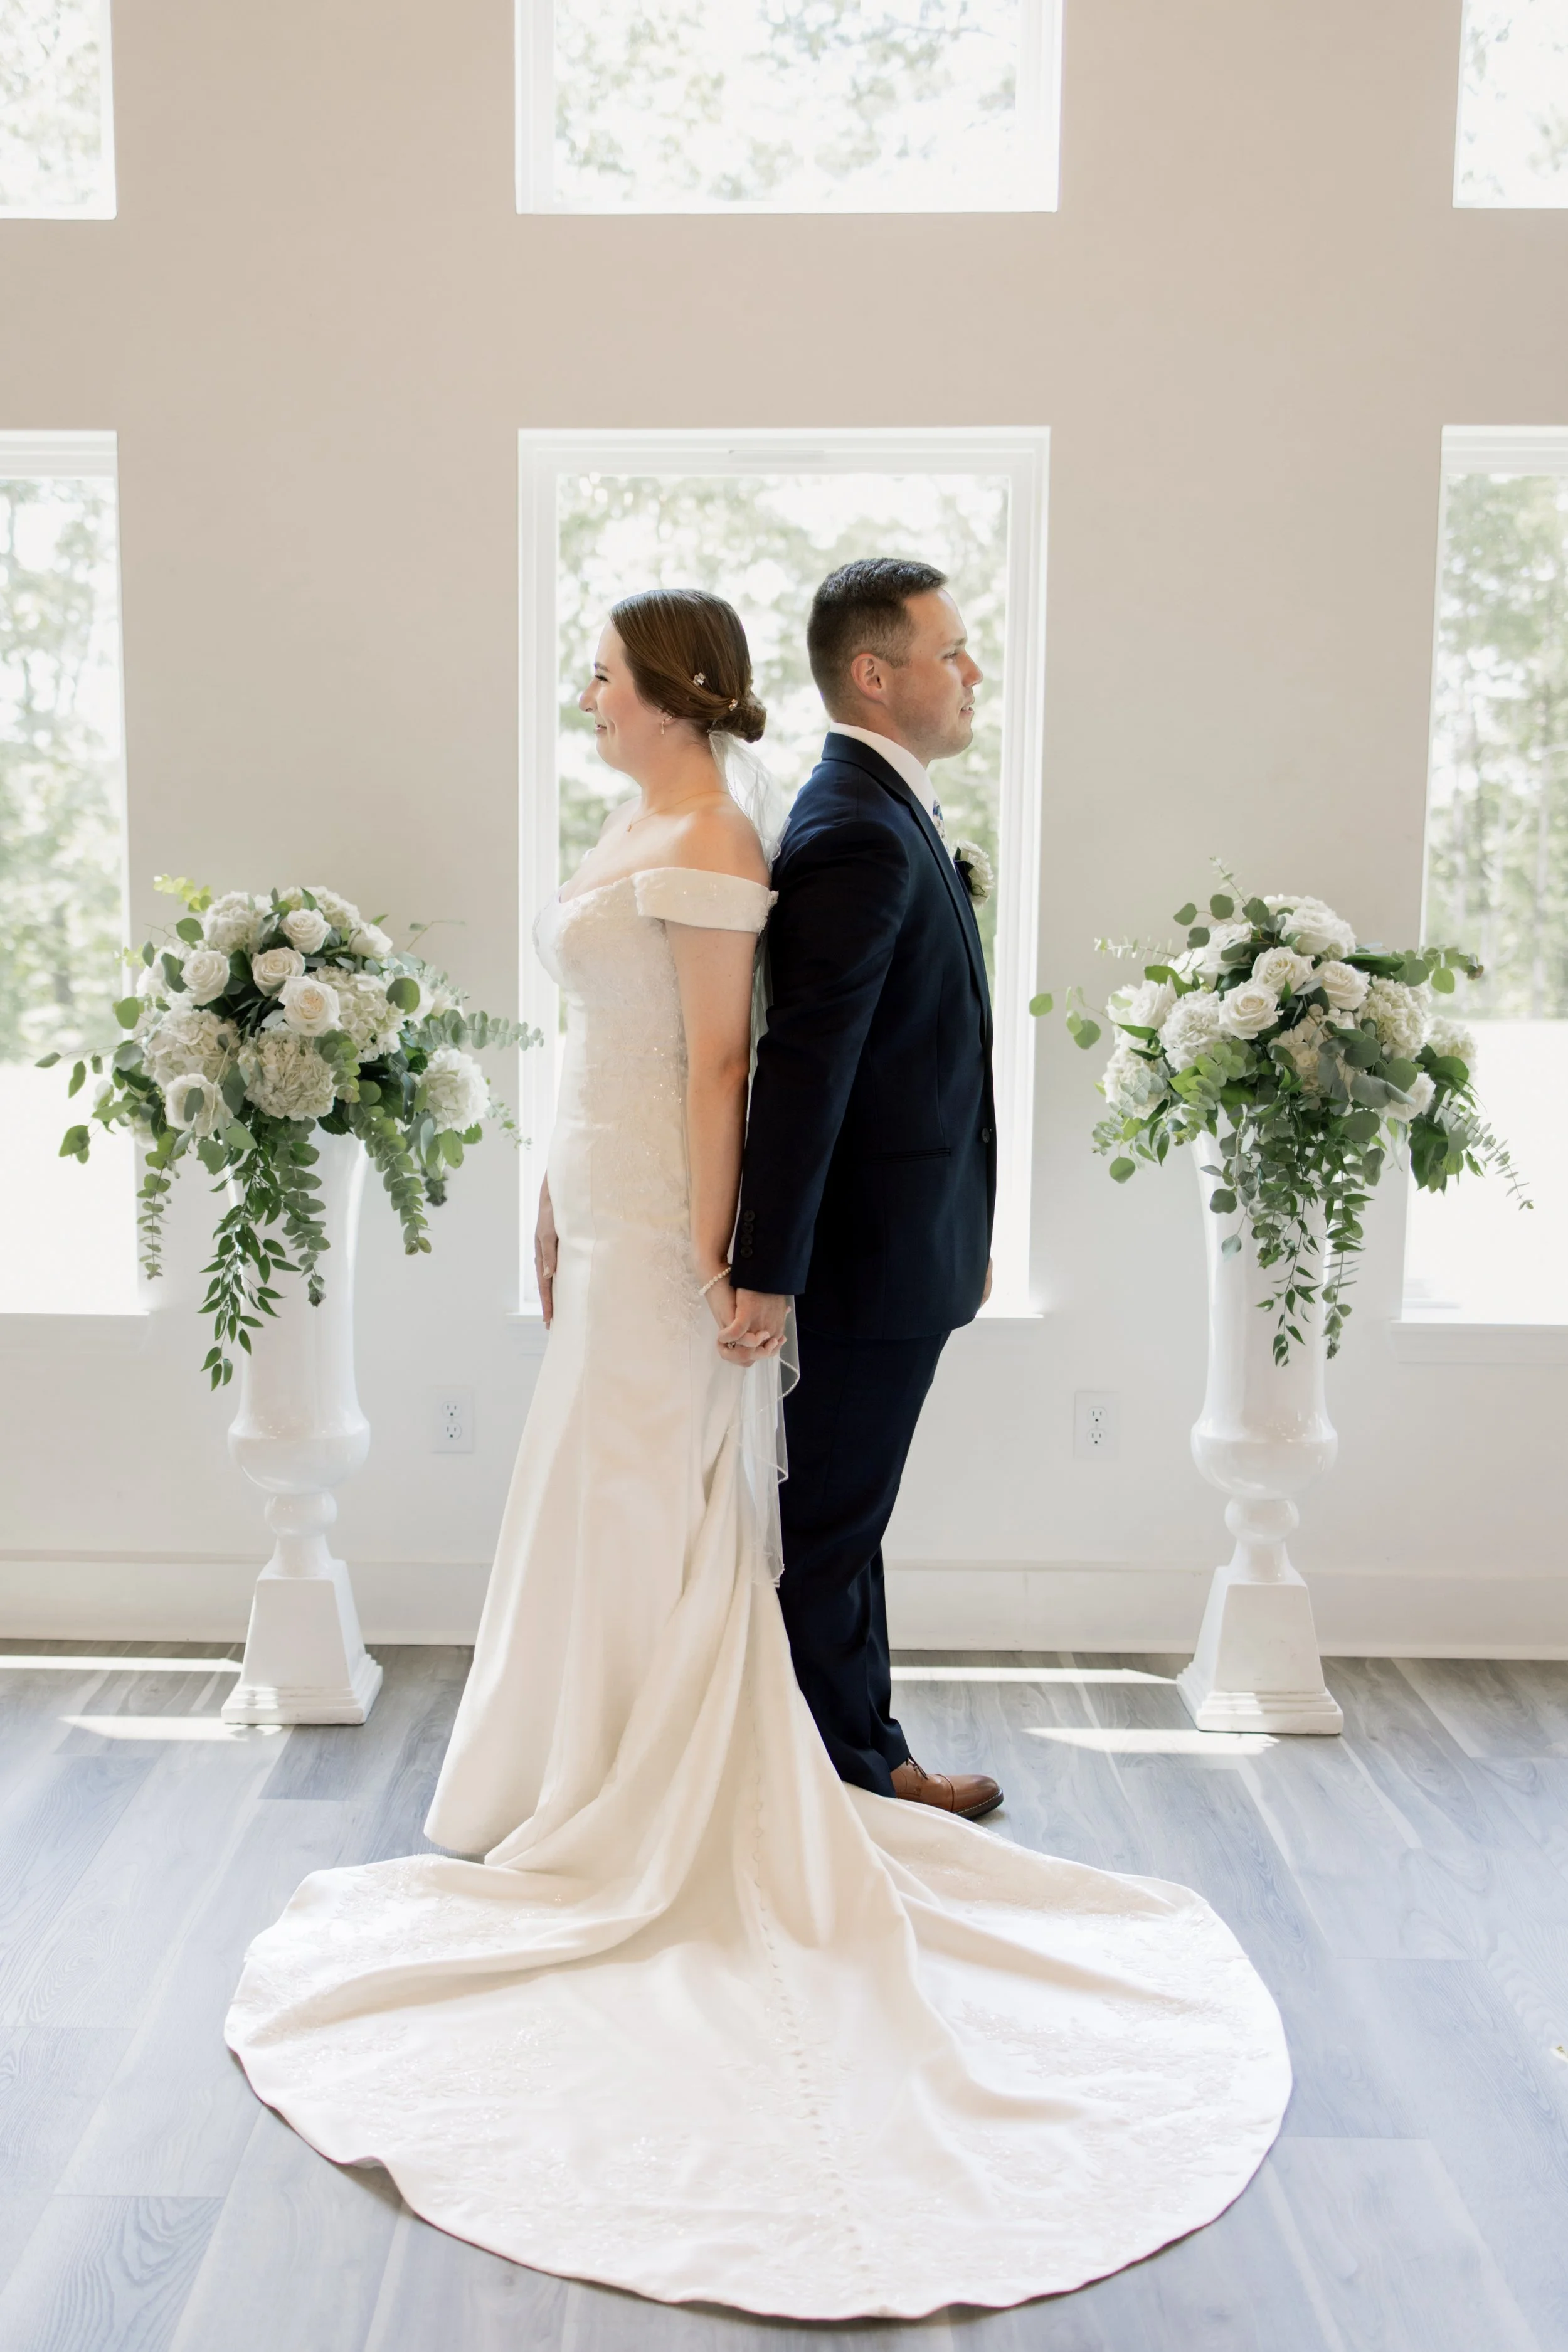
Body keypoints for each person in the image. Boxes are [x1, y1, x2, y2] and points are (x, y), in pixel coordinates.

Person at [226, 586, 1290, 2321]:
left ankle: (751, 1774)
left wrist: (734, 1259)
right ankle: (601, 1763)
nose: (582, 690)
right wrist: (569, 1188)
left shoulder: (748, 829)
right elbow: (634, 1040)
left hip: (683, 1233)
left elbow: (740, 1053)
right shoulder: (701, 816)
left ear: (667, 688)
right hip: (626, 1205)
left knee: (694, 1505)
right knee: (623, 1500)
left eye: (598, 670)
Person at [730, 557, 1002, 1813]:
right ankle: (842, 1788)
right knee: (828, 1531)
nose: (971, 673)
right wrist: (767, 1269)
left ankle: (862, 1754)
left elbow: (912, 1062)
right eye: (950, 651)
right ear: (872, 673)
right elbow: (806, 1069)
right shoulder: (850, 828)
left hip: (906, 1244)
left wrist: (964, 1223)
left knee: (848, 1521)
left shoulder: (885, 811)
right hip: (855, 1261)